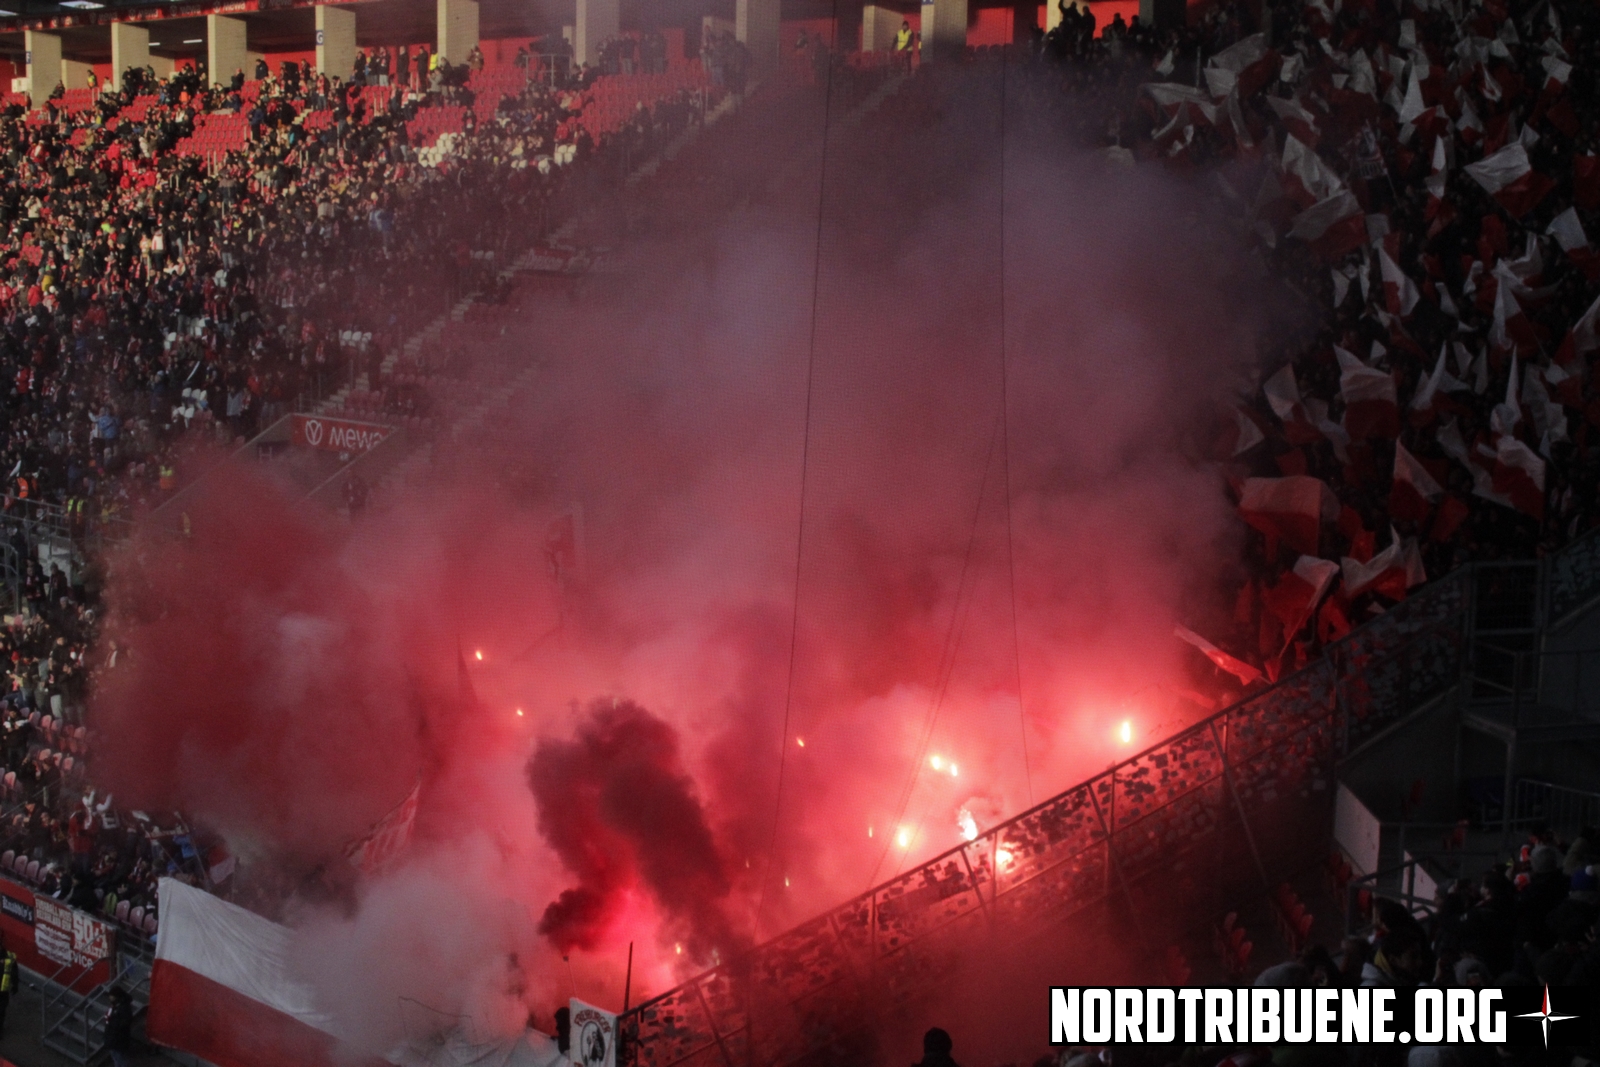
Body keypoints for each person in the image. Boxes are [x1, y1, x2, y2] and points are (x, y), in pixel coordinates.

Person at [103, 987, 134, 1067]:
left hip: (118, 1038)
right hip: (114, 1038)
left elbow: (125, 1022)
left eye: (111, 995)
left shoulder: (123, 1007)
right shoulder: (116, 1006)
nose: (110, 997)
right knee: (117, 1059)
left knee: (120, 1059)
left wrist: (114, 1025)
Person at [0, 933, 14, 1037]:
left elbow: (14, 972)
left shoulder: (9, 957)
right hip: (3, 989)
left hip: (3, 990)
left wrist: (15, 986)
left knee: (1, 1011)